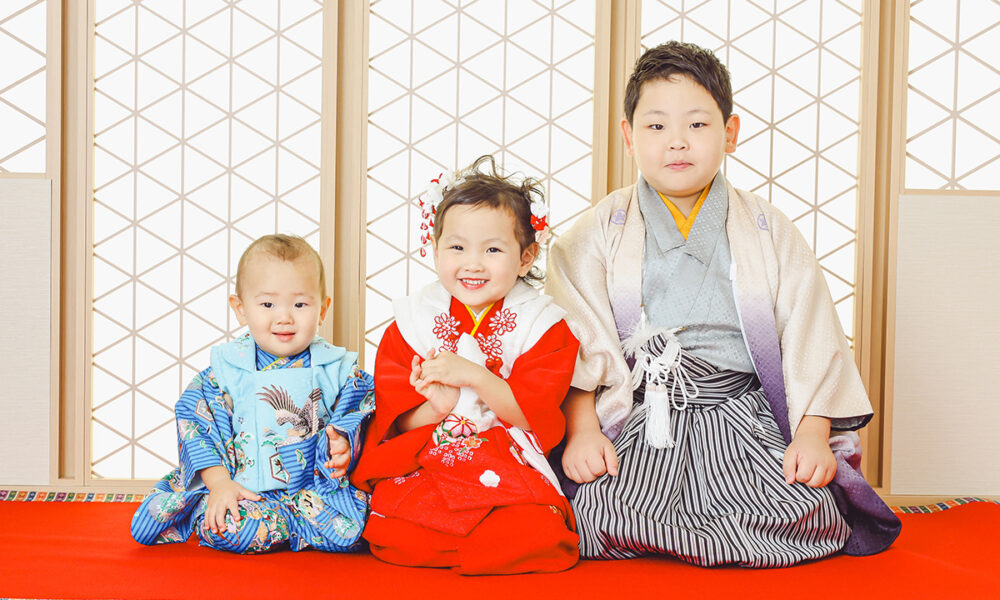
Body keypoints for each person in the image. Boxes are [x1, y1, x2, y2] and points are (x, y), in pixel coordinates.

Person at [546, 40, 901, 567]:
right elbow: (578, 338)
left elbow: (810, 333)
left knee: (805, 509)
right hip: (645, 415)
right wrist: (582, 429)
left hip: (743, 414)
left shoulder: (766, 228)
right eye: (656, 125)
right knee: (595, 510)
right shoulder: (600, 229)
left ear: (730, 132)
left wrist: (811, 434)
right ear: (628, 136)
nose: (677, 142)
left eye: (697, 124)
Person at [351, 155, 580, 574]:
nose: (473, 263)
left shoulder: (543, 324)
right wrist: (437, 407)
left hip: (507, 453)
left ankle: (470, 546)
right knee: (397, 528)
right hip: (432, 450)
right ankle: (473, 548)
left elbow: (536, 416)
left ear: (526, 257)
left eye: (492, 249)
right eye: (457, 247)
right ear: (435, 248)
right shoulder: (413, 321)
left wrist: (475, 376)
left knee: (536, 530)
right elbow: (395, 421)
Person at [130, 234, 374, 554]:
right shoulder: (228, 370)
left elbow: (362, 410)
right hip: (245, 491)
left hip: (313, 493)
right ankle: (235, 512)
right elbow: (196, 423)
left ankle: (293, 527)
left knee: (362, 530)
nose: (284, 317)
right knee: (229, 525)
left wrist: (344, 441)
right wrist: (220, 483)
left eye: (300, 304)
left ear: (322, 309)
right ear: (241, 308)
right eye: (267, 304)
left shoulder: (336, 369)